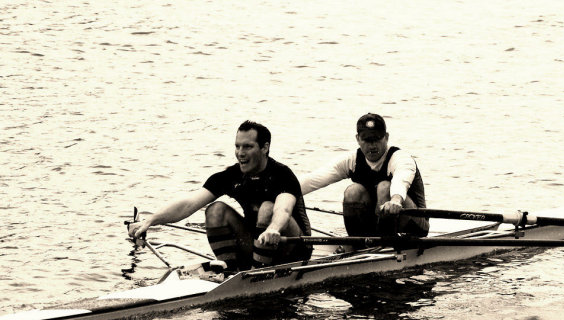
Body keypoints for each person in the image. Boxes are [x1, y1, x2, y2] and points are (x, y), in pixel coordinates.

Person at [128, 120, 312, 272]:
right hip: (258, 244)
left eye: (248, 147)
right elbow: (188, 204)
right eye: (238, 146)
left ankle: (257, 274)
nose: (240, 153)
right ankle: (232, 270)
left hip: (293, 246)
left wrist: (274, 228)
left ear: (265, 148)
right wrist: (150, 220)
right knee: (215, 210)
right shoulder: (232, 175)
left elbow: (284, 208)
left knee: (267, 209)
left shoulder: (282, 174)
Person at [300, 113, 428, 237]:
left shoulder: (400, 158)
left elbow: (401, 181)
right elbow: (315, 179)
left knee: (384, 187)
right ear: (358, 139)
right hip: (377, 222)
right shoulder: (352, 161)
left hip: (414, 222)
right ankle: (358, 242)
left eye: (377, 139)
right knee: (353, 191)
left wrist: (395, 200)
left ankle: (387, 243)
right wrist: (286, 192)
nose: (372, 145)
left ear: (386, 137)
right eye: (367, 140)